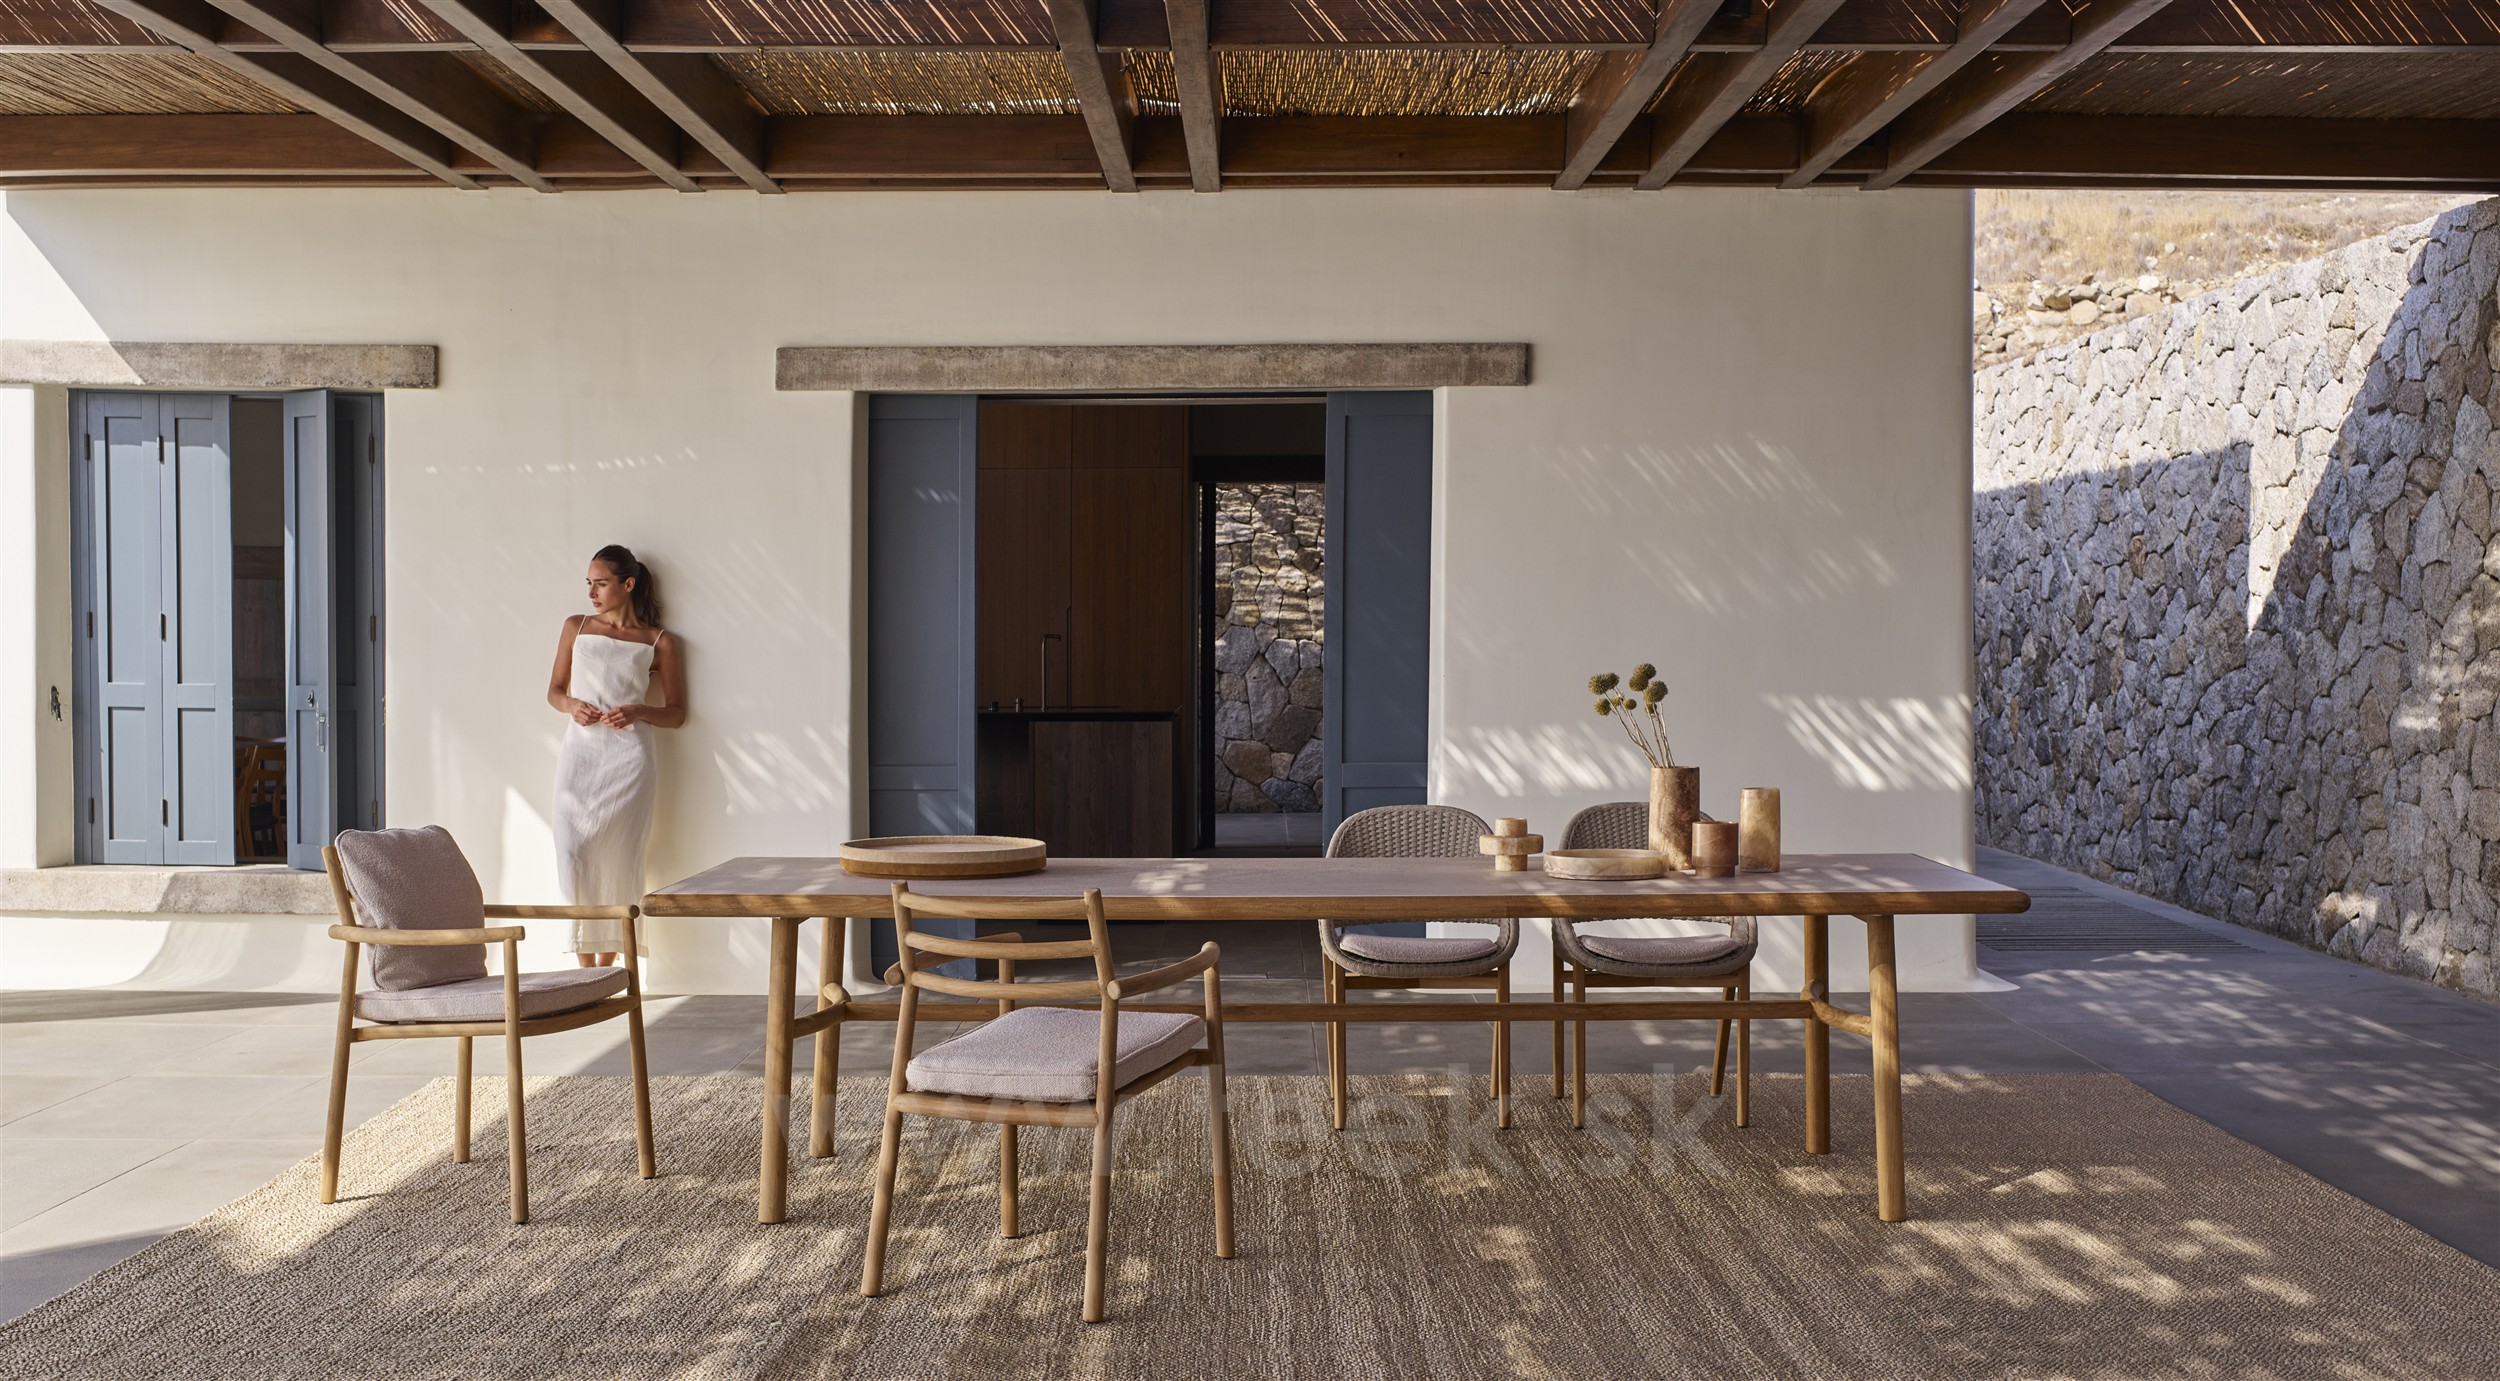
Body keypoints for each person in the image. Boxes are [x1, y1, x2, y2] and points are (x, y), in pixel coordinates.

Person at [545, 545, 685, 967]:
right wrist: (572, 705)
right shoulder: (576, 626)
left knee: (621, 859)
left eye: (601, 584)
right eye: (589, 583)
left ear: (628, 584)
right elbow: (554, 691)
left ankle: (603, 972)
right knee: (572, 852)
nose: (592, 592)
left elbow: (677, 714)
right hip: (580, 756)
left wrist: (640, 710)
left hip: (629, 761)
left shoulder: (660, 641)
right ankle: (584, 970)